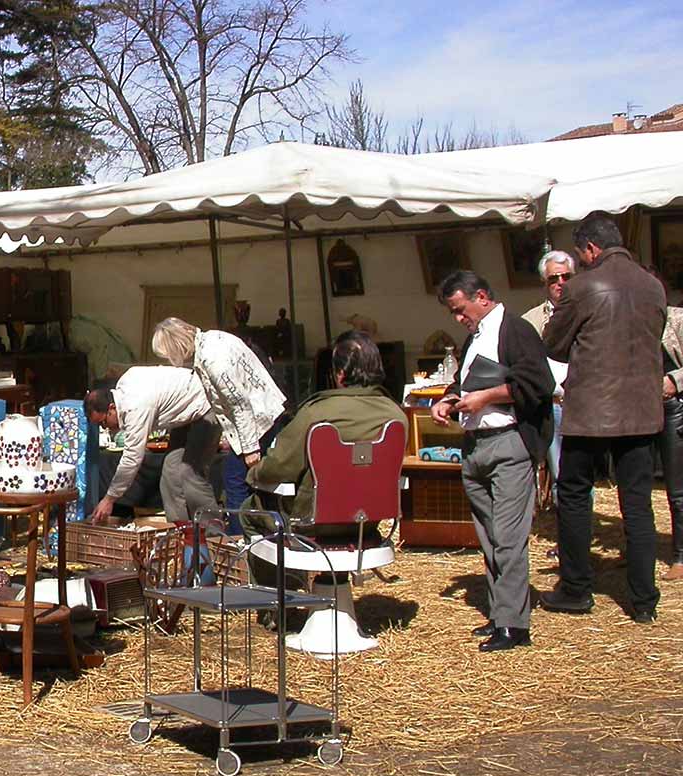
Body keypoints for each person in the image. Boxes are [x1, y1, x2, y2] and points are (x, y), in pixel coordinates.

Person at [541, 213, 666, 623]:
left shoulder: (581, 286)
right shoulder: (653, 286)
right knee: (638, 504)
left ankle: (576, 589)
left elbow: (554, 345)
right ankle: (644, 600)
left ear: (590, 249)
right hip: (642, 410)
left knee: (574, 496)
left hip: (591, 411)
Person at [431, 271, 553, 653]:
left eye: (460, 309)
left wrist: (487, 398)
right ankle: (501, 613)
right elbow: (465, 381)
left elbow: (538, 383)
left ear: (481, 296)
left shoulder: (515, 331)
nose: (458, 318)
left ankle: (515, 625)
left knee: (508, 538)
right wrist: (449, 399)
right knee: (489, 536)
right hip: (477, 445)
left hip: (508, 442)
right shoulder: (476, 338)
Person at [248, 331, 407, 530]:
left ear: (340, 373)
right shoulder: (396, 416)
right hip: (368, 523)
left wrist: (254, 472)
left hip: (312, 523)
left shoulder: (316, 413)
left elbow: (280, 465)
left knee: (249, 512)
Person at [151, 317, 286, 527]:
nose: (170, 360)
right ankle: (248, 533)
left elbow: (239, 403)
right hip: (262, 412)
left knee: (235, 481)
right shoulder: (213, 339)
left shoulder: (213, 360)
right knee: (240, 478)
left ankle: (238, 537)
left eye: (168, 354)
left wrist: (250, 447)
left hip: (259, 419)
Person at [85, 366, 219, 524]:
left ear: (112, 408)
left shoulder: (135, 406)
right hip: (184, 413)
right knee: (170, 475)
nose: (105, 428)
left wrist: (109, 499)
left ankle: (213, 534)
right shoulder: (123, 387)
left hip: (206, 405)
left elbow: (132, 459)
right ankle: (180, 533)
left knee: (189, 473)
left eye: (104, 422)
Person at [521, 251, 575, 506]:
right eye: (554, 278)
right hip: (550, 404)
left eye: (566, 276)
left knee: (579, 477)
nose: (561, 283)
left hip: (582, 404)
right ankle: (568, 539)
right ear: (544, 283)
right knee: (559, 476)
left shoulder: (591, 313)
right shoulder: (530, 321)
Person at [657, 281, 683, 581]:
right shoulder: (630, 322)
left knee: (677, 489)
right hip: (640, 409)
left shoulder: (675, 319)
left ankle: (679, 554)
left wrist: (674, 380)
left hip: (673, 407)